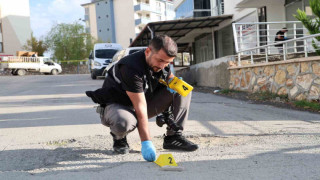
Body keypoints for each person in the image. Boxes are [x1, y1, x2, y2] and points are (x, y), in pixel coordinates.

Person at [86, 35, 198, 162]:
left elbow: (169, 77)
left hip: (141, 103)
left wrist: (175, 84)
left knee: (183, 90)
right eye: (160, 60)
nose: (163, 65)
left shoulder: (162, 64)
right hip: (118, 106)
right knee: (123, 122)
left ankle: (173, 138)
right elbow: (140, 106)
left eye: (167, 62)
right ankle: (119, 138)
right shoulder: (131, 67)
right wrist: (146, 142)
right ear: (148, 52)